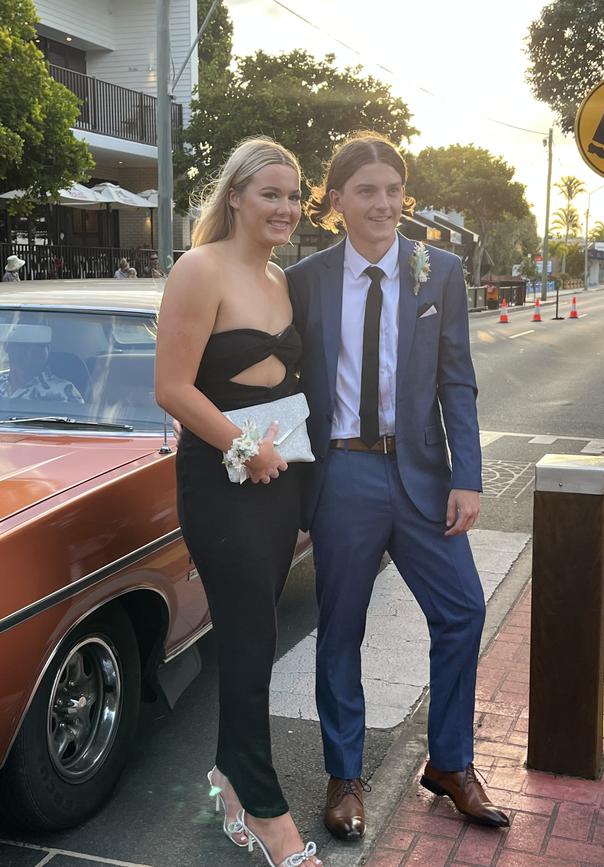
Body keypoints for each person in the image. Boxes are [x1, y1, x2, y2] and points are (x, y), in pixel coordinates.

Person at [286, 132, 509, 840]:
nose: (384, 203)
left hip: (421, 472)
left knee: (462, 609)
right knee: (341, 625)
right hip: (343, 470)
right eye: (367, 191)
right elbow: (283, 379)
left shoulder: (437, 270)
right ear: (337, 202)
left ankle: (450, 762)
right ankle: (343, 773)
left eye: (393, 189)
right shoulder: (306, 278)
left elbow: (458, 381)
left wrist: (467, 477)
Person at [155, 137, 322, 867]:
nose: (286, 208)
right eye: (271, 195)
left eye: (294, 197)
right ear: (236, 197)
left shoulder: (280, 278)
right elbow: (172, 387)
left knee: (253, 641)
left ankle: (227, 774)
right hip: (221, 484)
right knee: (252, 640)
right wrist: (240, 447)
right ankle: (265, 810)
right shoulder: (200, 269)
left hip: (279, 481)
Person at [0, 323, 84, 403]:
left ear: (48, 350)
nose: (31, 351)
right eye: (23, 344)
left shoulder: (64, 391)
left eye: (40, 345)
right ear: (7, 346)